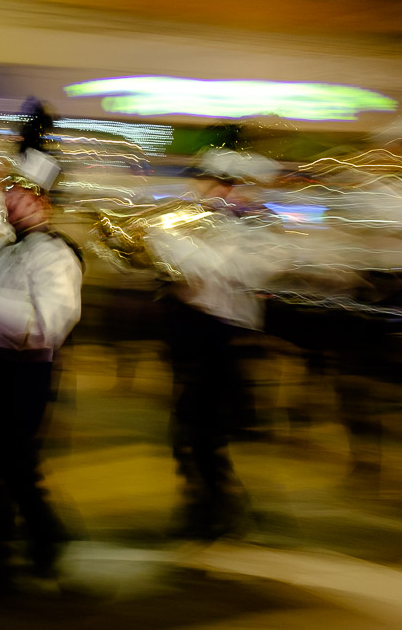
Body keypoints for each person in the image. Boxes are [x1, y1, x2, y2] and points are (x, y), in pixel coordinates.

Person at [0, 144, 84, 586]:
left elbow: (46, 327)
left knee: (17, 464)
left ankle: (46, 539)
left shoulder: (56, 256)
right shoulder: (7, 248)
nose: (7, 200)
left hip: (25, 374)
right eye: (8, 191)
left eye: (19, 194)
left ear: (42, 201)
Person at [146, 148, 281, 539]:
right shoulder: (191, 221)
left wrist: (187, 249)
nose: (200, 190)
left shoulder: (252, 225)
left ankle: (216, 505)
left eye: (207, 183)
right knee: (188, 428)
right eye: (200, 182)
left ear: (226, 186)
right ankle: (208, 500)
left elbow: (246, 270)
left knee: (202, 430)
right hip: (189, 331)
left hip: (223, 336)